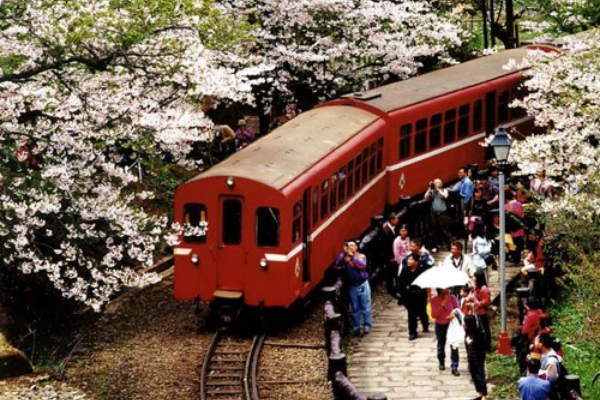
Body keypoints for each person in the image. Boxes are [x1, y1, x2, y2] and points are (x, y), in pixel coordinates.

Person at [336, 241, 371, 336]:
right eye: (348, 246)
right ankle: (357, 327)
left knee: (365, 306)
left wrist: (352, 256)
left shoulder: (361, 256)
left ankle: (367, 325)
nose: (350, 247)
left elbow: (361, 265)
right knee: (355, 308)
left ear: (356, 247)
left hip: (363, 284)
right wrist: (343, 253)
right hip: (352, 286)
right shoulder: (345, 257)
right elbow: (338, 263)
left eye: (352, 245)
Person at [397, 253, 430, 340]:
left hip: (420, 295)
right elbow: (400, 282)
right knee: (411, 314)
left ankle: (425, 324)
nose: (408, 261)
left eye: (411, 259)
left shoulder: (421, 270)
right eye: (408, 259)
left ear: (416, 261)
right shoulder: (405, 270)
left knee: (422, 311)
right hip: (409, 296)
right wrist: (404, 289)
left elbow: (424, 284)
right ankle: (412, 332)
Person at [431, 288, 461, 375]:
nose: (449, 290)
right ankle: (441, 361)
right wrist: (441, 305)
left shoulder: (452, 298)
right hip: (440, 325)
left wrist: (454, 314)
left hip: (451, 325)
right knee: (441, 344)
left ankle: (454, 366)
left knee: (454, 345)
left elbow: (457, 309)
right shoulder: (434, 300)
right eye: (447, 289)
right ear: (441, 290)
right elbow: (434, 315)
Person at [464, 314, 489, 400]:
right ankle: (480, 393)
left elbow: (481, 347)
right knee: (474, 375)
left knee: (480, 375)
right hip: (471, 357)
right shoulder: (467, 331)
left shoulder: (479, 333)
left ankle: (484, 394)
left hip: (478, 358)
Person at [466, 271, 492, 352]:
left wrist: (474, 301)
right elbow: (474, 296)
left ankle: (487, 346)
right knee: (481, 328)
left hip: (483, 312)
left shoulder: (484, 289)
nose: (473, 278)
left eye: (475, 277)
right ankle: (483, 344)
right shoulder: (477, 287)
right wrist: (469, 298)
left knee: (485, 329)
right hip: (478, 312)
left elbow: (486, 302)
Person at [424, 178, 452, 252]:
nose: (436, 184)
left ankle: (450, 245)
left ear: (441, 184)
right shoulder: (432, 191)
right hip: (434, 214)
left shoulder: (444, 190)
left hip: (443, 214)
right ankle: (435, 246)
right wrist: (429, 188)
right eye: (435, 183)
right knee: (434, 230)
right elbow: (425, 197)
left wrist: (438, 189)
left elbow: (445, 196)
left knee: (445, 230)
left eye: (438, 183)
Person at [392, 225, 411, 301]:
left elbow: (409, 249)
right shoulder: (397, 241)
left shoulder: (407, 239)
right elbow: (397, 255)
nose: (403, 233)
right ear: (399, 232)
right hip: (401, 262)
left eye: (405, 231)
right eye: (402, 231)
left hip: (409, 259)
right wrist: (403, 263)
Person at [382, 213, 399, 295]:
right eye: (396, 219)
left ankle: (393, 288)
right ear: (391, 220)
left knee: (393, 272)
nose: (397, 220)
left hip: (393, 255)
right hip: (389, 257)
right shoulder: (386, 231)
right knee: (390, 273)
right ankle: (391, 289)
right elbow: (386, 246)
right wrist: (391, 257)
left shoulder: (392, 229)